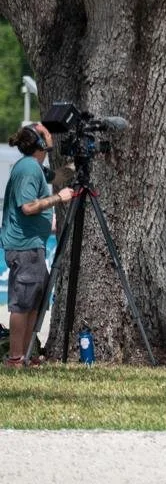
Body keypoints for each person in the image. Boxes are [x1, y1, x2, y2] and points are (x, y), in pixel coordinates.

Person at [1, 124, 74, 367]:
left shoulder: (34, 168)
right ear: (41, 145)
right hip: (24, 247)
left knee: (33, 301)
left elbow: (59, 177)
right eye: (47, 138)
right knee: (23, 304)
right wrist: (58, 198)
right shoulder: (29, 169)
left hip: (33, 246)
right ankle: (15, 358)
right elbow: (28, 207)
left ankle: (27, 354)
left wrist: (78, 164)